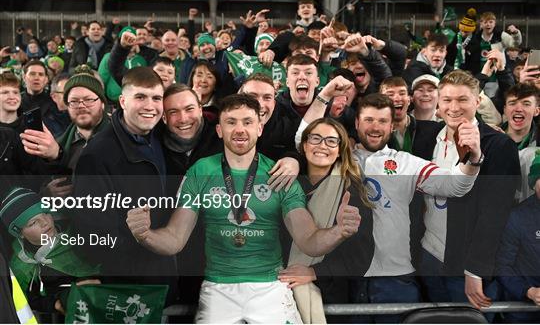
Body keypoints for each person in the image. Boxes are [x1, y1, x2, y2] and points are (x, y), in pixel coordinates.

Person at [126, 94, 361, 323]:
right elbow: (175, 239)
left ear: (259, 128)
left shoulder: (278, 174)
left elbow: (308, 240)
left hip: (270, 286)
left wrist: (338, 231)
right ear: (219, 130)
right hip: (218, 287)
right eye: (231, 122)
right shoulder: (201, 171)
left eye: (248, 122)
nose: (240, 129)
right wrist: (145, 235)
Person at [296, 92, 482, 323]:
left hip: (395, 278)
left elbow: (454, 186)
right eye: (369, 120)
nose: (375, 127)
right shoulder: (337, 157)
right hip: (345, 278)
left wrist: (473, 159)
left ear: (392, 126)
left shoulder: (406, 162)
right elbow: (304, 141)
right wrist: (290, 159)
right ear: (356, 123)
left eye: (383, 121)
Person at [416, 70, 520, 315]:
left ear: (477, 101)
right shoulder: (425, 136)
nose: (454, 107)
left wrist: (475, 270)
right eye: (447, 100)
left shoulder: (499, 145)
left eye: (462, 99)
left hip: (466, 268)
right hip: (428, 257)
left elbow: (496, 214)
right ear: (438, 103)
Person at [71, 67, 178, 303]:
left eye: (156, 98)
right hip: (129, 287)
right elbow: (94, 231)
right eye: (140, 97)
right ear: (122, 101)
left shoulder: (161, 135)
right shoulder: (97, 155)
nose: (150, 106)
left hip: (163, 276)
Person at [279, 117, 374, 323]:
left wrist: (314, 272)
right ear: (304, 145)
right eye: (315, 139)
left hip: (329, 293)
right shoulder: (284, 183)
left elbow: (361, 257)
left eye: (331, 141)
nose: (322, 146)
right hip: (278, 286)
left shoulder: (352, 191)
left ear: (340, 149)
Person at [0, 187, 100, 314]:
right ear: (20, 233)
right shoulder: (21, 266)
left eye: (46, 212)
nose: (45, 223)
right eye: (33, 223)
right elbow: (28, 299)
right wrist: (55, 304)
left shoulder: (79, 231)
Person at [495, 151, 540, 323]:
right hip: (524, 312)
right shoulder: (517, 218)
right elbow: (503, 266)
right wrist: (529, 291)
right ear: (533, 183)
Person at [501, 83, 540, 201]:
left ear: (536, 111)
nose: (518, 109)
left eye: (526, 104)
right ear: (505, 109)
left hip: (528, 207)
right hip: (495, 204)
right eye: (512, 103)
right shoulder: (490, 138)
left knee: (530, 153)